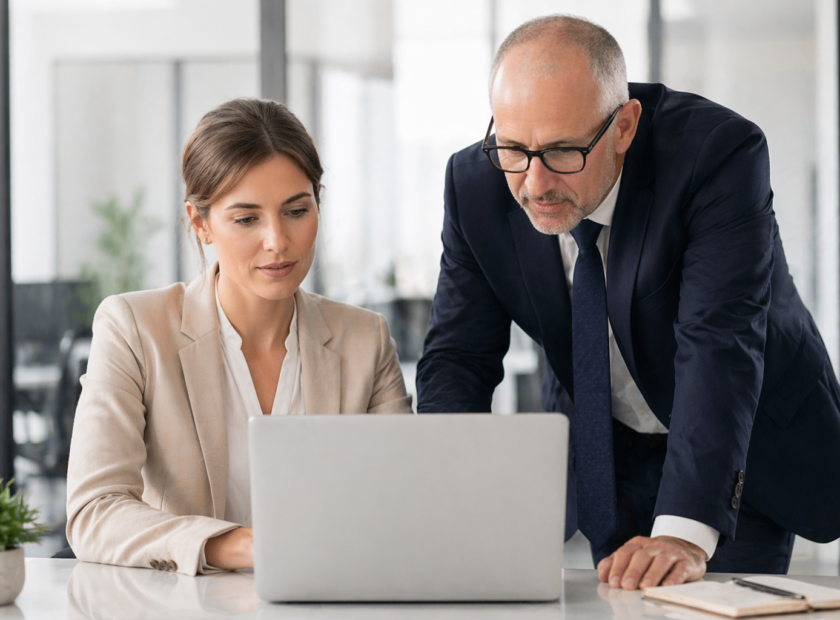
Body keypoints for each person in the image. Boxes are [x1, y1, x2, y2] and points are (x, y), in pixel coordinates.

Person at [416, 15, 840, 589]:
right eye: (513, 147)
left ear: (624, 126)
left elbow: (718, 340)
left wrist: (684, 532)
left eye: (564, 151)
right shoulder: (475, 183)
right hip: (603, 445)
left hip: (735, 444)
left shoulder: (717, 155)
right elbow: (459, 359)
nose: (535, 184)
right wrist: (442, 507)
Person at [66, 98, 413, 575]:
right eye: (247, 218)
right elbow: (95, 510)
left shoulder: (364, 339)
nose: (277, 240)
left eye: (296, 210)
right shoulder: (134, 328)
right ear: (200, 222)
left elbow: (402, 503)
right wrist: (241, 547)